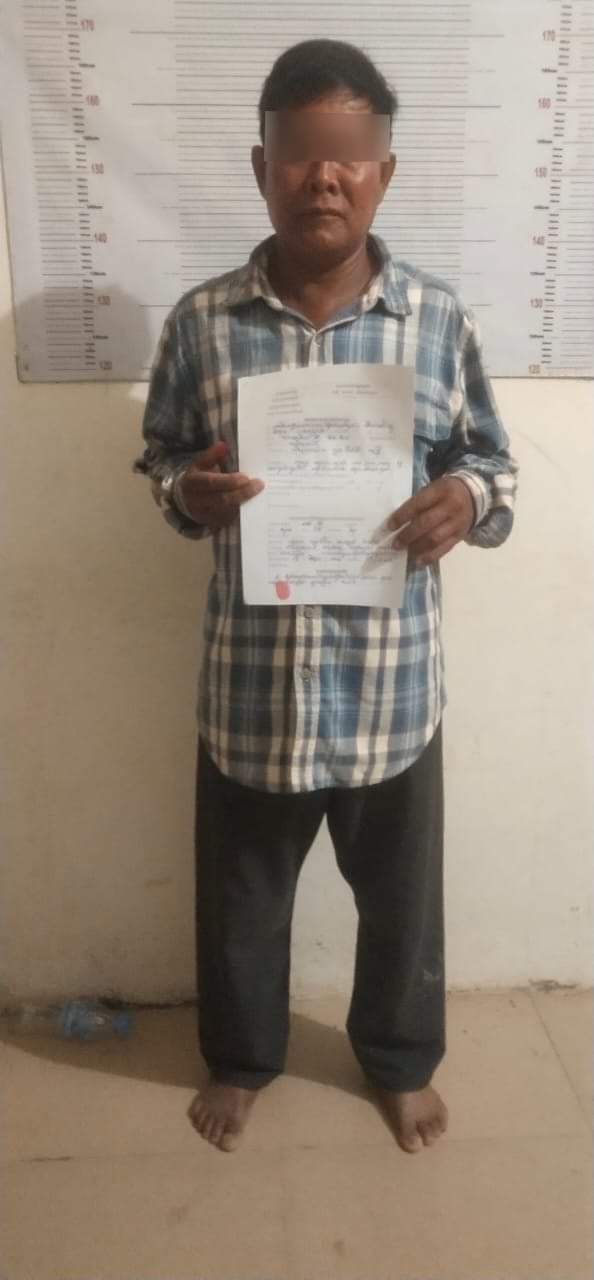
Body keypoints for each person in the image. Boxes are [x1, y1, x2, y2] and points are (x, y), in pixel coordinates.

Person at [132, 39, 518, 1156]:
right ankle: (242, 1058)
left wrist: (463, 497)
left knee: (401, 904)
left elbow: (494, 465)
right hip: (251, 691)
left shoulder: (436, 321)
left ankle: (397, 1060)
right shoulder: (203, 322)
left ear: (384, 172)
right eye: (300, 154)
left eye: (349, 157)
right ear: (263, 167)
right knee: (241, 900)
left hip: (391, 689)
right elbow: (160, 455)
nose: (325, 179)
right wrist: (187, 492)